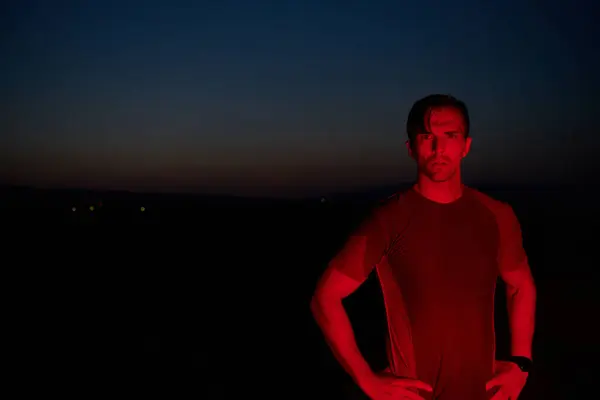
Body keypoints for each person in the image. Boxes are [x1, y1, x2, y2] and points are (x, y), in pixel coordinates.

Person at [310, 94, 537, 400]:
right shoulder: (389, 218)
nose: (438, 148)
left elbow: (521, 285)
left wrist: (521, 363)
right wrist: (368, 381)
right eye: (427, 136)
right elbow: (325, 297)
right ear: (411, 148)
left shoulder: (496, 215)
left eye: (450, 136)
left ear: (466, 146)